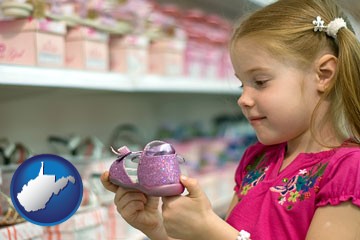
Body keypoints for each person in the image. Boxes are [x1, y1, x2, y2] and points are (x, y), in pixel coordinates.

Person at [101, 0, 360, 239]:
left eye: (260, 82)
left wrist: (212, 231)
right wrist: (157, 228)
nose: (243, 99)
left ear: (324, 74)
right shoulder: (258, 159)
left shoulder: (349, 171)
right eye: (241, 85)